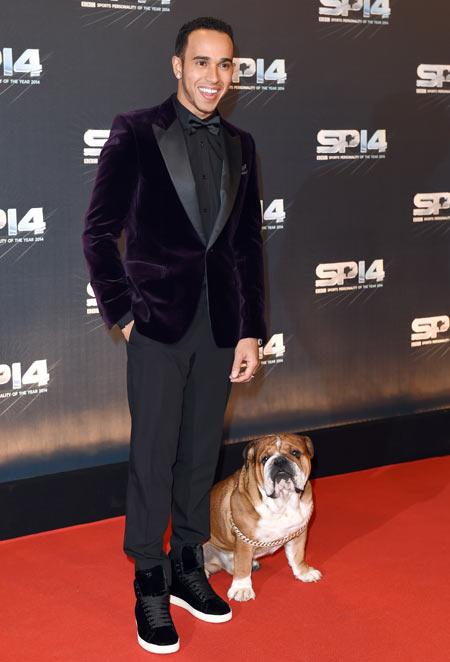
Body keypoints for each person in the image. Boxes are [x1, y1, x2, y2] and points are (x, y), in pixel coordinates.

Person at [82, 16, 266, 655]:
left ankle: (189, 566)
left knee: (199, 455)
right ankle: (149, 582)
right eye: (202, 63)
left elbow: (245, 246)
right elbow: (98, 231)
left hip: (219, 329)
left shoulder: (242, 143)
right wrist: (123, 312)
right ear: (177, 65)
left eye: (225, 65)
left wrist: (250, 331)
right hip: (157, 327)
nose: (214, 78)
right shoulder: (137, 130)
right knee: (153, 457)